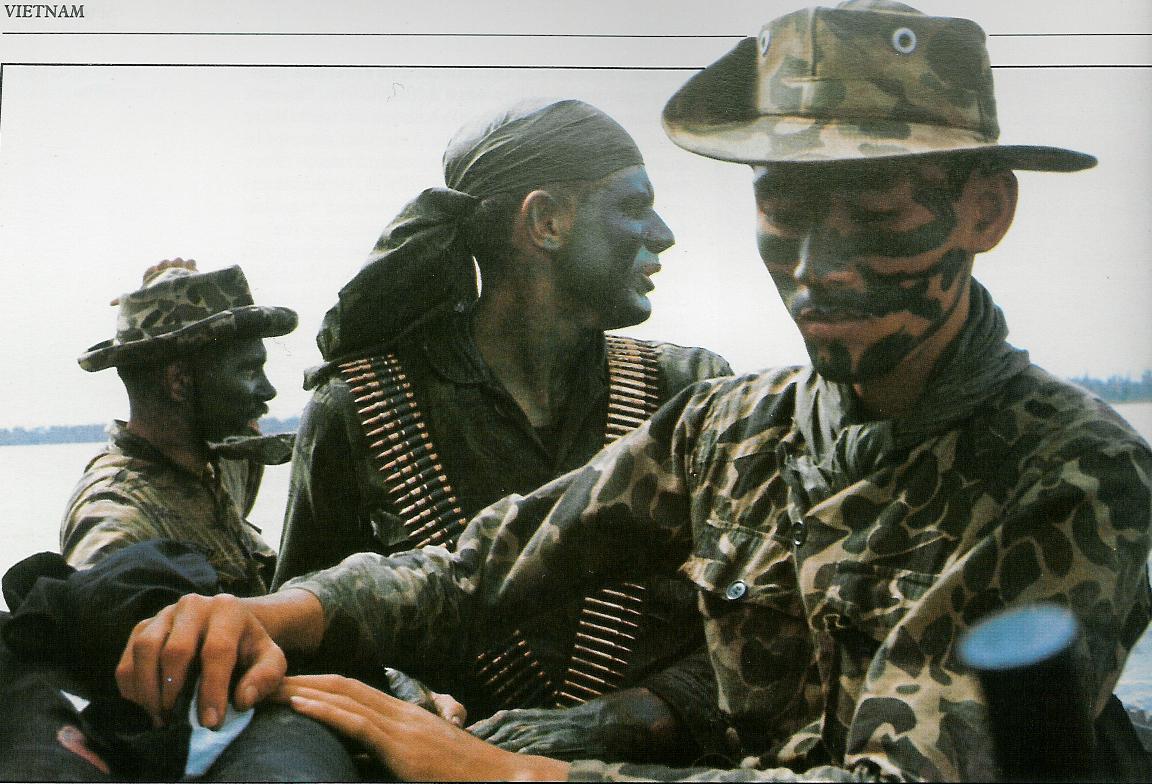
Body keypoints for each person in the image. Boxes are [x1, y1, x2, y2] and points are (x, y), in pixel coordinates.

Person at [115, 2, 1152, 781]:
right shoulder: (731, 426)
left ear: (984, 208)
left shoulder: (1073, 472)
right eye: (784, 211)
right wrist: (276, 611)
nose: (817, 267)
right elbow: (481, 567)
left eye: (874, 214)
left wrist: (519, 771)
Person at [272, 98, 734, 762]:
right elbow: (300, 627)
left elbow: (776, 630)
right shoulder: (360, 404)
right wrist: (396, 690)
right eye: (632, 207)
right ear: (545, 221)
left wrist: (618, 719)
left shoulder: (688, 392)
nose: (662, 234)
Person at [61, 260, 296, 596]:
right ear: (180, 382)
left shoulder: (215, 461)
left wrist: (165, 289)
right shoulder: (118, 520)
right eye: (248, 371)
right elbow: (105, 620)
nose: (267, 389)